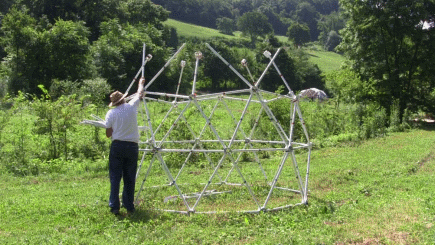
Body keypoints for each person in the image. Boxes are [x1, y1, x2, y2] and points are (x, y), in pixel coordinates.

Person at [104, 77, 145, 215]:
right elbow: (140, 94)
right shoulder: (131, 106)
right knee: (129, 177)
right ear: (123, 99)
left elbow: (108, 134)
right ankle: (129, 206)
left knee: (115, 176)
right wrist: (140, 83)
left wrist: (116, 128)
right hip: (132, 146)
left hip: (117, 146)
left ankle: (115, 207)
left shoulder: (111, 113)